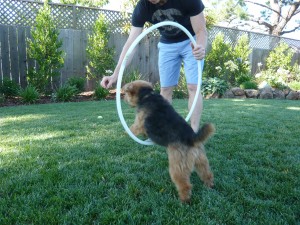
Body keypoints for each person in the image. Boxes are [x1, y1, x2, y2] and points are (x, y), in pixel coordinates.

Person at [101, 0, 207, 132]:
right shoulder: (143, 7)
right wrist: (115, 74)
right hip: (167, 44)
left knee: (193, 87)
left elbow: (201, 30)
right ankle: (166, 130)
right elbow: (131, 44)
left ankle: (193, 131)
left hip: (190, 41)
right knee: (166, 90)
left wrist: (200, 47)